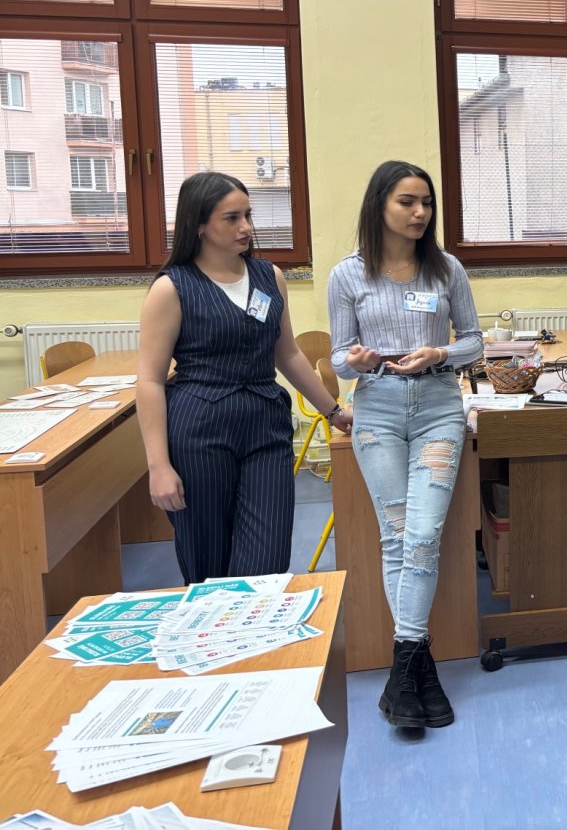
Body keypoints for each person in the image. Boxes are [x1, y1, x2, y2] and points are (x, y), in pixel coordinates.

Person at [136, 171, 352, 586]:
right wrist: (158, 466)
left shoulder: (270, 277)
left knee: (267, 558)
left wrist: (333, 411)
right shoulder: (171, 288)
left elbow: (287, 353)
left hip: (265, 426)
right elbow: (149, 381)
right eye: (232, 218)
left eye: (248, 215)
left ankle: (257, 625)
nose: (246, 227)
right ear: (199, 225)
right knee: (208, 566)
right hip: (199, 430)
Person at [329, 160, 484, 730]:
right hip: (378, 410)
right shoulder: (348, 275)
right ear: (380, 206)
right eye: (407, 202)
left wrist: (440, 353)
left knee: (422, 535)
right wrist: (357, 360)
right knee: (396, 538)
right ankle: (418, 670)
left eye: (427, 203)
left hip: (439, 407)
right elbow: (338, 356)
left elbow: (474, 342)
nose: (420, 213)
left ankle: (404, 668)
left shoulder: (446, 269)